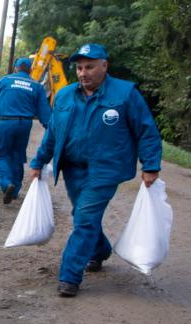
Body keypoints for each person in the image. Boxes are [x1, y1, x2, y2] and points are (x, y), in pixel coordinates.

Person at [28, 43, 162, 297]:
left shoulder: (125, 94)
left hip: (106, 169)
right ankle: (99, 250)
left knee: (85, 217)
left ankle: (69, 277)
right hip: (72, 168)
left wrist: (151, 165)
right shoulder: (66, 96)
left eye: (89, 67)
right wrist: (38, 161)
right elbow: (53, 134)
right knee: (83, 215)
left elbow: (146, 131)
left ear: (104, 65)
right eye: (79, 68)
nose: (83, 73)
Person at [0, 57, 52, 204]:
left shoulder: (4, 81)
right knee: (17, 155)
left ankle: (6, 183)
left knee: (0, 155)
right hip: (25, 124)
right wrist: (51, 129)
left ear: (15, 68)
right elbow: (45, 112)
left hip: (6, 123)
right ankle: (14, 191)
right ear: (30, 70)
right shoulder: (36, 86)